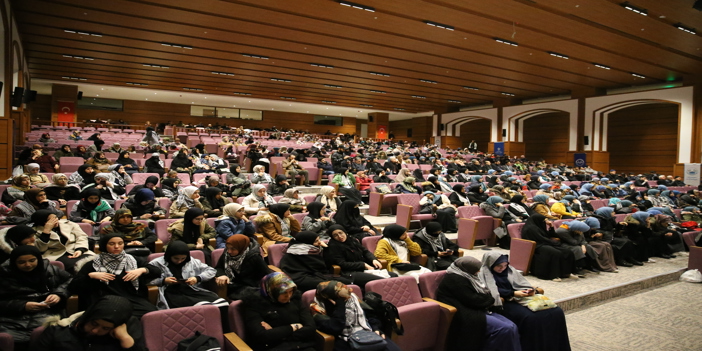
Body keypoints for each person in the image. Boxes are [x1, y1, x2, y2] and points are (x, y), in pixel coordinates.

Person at [479, 252, 571, 351]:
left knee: (556, 312)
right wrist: (512, 294)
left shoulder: (510, 270)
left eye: (505, 265)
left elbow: (521, 283)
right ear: (490, 264)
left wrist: (529, 291)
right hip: (504, 301)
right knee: (531, 317)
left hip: (521, 297)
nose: (502, 268)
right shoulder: (483, 274)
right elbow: (488, 291)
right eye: (499, 266)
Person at [435, 256, 521, 351]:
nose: (479, 272)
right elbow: (473, 300)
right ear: (468, 269)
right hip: (464, 312)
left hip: (476, 308)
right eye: (476, 270)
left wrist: (487, 299)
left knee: (512, 326)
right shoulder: (454, 279)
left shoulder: (467, 275)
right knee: (505, 329)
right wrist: (490, 299)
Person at [69, 234, 161, 318]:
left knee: (151, 314)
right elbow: (73, 287)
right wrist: (90, 276)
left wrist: (142, 270)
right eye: (112, 244)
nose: (117, 247)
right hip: (104, 300)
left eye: (120, 243)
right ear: (104, 245)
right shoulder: (93, 264)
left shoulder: (133, 260)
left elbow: (157, 271)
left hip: (132, 299)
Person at [0, 246, 72, 351]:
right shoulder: (3, 274)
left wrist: (58, 294)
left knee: (44, 337)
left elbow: (71, 280)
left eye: (32, 260)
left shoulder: (48, 268)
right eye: (21, 262)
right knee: (9, 341)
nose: (28, 265)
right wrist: (23, 306)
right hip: (11, 316)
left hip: (45, 312)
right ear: (13, 263)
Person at [310, 281, 401, 351]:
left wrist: (376, 328)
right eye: (341, 289)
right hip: (344, 339)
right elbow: (335, 328)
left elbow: (370, 315)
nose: (350, 290)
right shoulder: (318, 308)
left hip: (367, 331)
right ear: (330, 297)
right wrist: (340, 305)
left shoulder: (353, 297)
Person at [241, 272, 318, 351]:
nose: (288, 296)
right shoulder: (255, 304)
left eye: (290, 291)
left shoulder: (295, 299)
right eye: (283, 292)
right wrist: (294, 327)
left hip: (301, 346)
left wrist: (277, 333)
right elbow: (262, 336)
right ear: (272, 291)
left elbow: (310, 328)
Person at [148, 241, 225, 309]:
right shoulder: (156, 263)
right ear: (169, 255)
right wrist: (164, 281)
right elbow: (147, 280)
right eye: (176, 258)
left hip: (191, 289)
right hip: (170, 293)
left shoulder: (191, 261)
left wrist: (197, 278)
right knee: (203, 306)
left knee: (221, 303)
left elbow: (211, 271)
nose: (179, 261)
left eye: (183, 258)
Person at [280, 231, 351, 292]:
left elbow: (326, 265)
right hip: (301, 278)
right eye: (316, 241)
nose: (320, 243)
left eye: (319, 240)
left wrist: (326, 248)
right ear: (307, 243)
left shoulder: (313, 250)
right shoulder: (295, 252)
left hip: (317, 275)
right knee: (336, 284)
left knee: (346, 281)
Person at [325, 225, 389, 289]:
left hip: (364, 268)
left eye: (340, 233)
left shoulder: (352, 240)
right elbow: (342, 264)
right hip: (349, 272)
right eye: (335, 235)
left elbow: (365, 251)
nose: (339, 236)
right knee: (381, 280)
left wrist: (373, 259)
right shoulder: (333, 246)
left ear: (344, 232)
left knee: (393, 275)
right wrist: (363, 265)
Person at [31, 210, 95, 272]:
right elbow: (40, 249)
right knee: (78, 267)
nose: (56, 220)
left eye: (55, 217)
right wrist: (46, 232)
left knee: (95, 263)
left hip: (75, 249)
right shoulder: (34, 231)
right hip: (56, 254)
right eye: (51, 220)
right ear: (42, 222)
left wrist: (80, 249)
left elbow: (81, 236)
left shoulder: (69, 224)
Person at [520, 214, 576, 281]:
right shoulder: (530, 228)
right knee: (555, 253)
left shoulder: (538, 225)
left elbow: (548, 235)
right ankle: (553, 275)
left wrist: (551, 227)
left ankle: (566, 272)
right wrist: (553, 243)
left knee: (568, 252)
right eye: (543, 220)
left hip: (544, 243)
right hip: (536, 246)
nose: (545, 222)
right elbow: (541, 239)